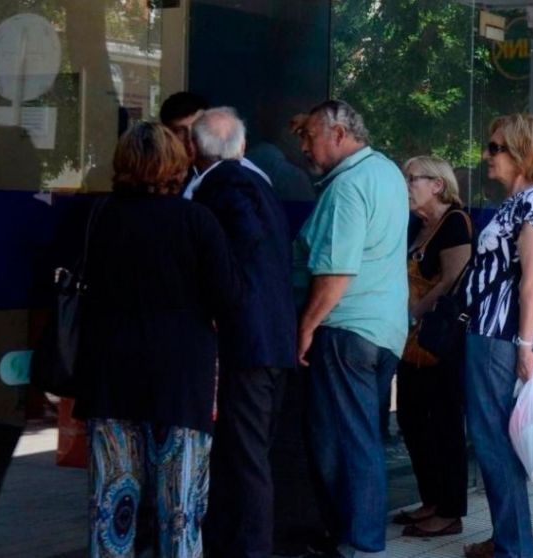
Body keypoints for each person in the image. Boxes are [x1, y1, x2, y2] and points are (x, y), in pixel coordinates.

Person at [73, 122, 241, 557]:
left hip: (110, 377)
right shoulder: (197, 221)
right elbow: (228, 299)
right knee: (180, 511)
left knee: (112, 510)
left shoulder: (99, 217)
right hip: (181, 380)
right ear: (177, 165)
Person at [294, 100, 409, 558]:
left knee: (346, 442)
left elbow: (337, 271)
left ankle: (358, 541)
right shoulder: (385, 173)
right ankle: (353, 536)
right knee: (360, 436)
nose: (303, 145)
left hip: (347, 330)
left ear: (339, 134)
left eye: (310, 136)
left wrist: (305, 326)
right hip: (384, 330)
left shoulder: (346, 187)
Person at [191, 107, 298, 558]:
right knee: (248, 453)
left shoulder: (225, 185)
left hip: (247, 344)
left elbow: (240, 250)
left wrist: (220, 302)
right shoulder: (259, 183)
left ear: (195, 149)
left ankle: (251, 549)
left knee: (247, 458)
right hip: (271, 340)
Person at [461, 114, 533, 558]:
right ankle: (508, 538)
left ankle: (515, 546)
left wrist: (525, 344)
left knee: (494, 440)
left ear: (523, 152)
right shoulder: (519, 203)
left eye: (496, 147)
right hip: (489, 332)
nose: (487, 155)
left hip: (497, 336)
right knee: (493, 439)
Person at [392, 156, 472, 538]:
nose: (406, 185)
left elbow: (453, 280)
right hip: (410, 341)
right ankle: (430, 500)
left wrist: (414, 312)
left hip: (437, 341)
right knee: (411, 418)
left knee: (444, 424)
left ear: (437, 185)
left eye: (412, 179)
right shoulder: (416, 225)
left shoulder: (454, 222)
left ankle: (450, 509)